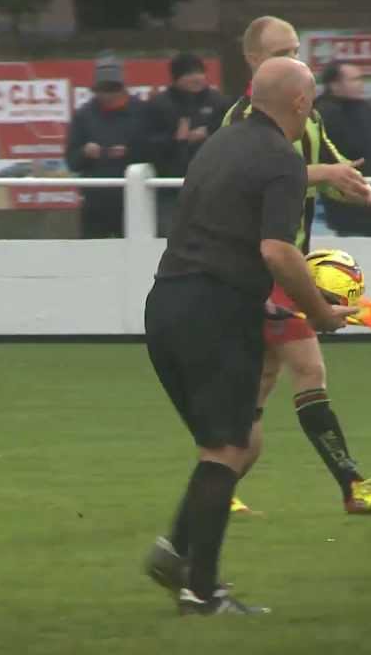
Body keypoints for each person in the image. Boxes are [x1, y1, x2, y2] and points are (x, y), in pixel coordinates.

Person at [142, 57, 354, 615]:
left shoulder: (218, 144)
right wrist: (320, 313)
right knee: (227, 450)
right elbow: (278, 252)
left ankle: (177, 557)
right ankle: (201, 591)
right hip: (213, 316)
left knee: (231, 446)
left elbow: (217, 238)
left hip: (166, 307)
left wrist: (265, 302)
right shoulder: (283, 159)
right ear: (301, 103)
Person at [219, 16, 371, 517]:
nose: (295, 60)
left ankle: (214, 490)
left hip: (280, 266)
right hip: (256, 266)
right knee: (309, 368)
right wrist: (326, 173)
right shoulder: (241, 120)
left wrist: (368, 192)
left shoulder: (307, 114)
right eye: (283, 52)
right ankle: (353, 486)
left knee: (259, 387)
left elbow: (332, 167)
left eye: (297, 50)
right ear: (254, 61)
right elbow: (253, 177)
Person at [65, 51, 153, 238]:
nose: (108, 96)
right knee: (93, 252)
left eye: (113, 90)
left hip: (134, 199)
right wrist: (85, 153)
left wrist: (130, 153)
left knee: (134, 248)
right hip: (95, 201)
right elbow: (72, 161)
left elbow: (156, 152)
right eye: (102, 90)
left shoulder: (143, 112)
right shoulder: (83, 115)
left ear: (123, 88)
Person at [147, 52, 231, 235]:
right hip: (171, 186)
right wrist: (176, 139)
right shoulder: (159, 104)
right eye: (189, 73)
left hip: (211, 185)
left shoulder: (218, 102)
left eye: (199, 72)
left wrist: (208, 135)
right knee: (170, 237)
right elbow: (147, 144)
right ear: (176, 78)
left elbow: (231, 135)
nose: (196, 78)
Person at [315, 60, 371, 237]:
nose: (360, 84)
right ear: (334, 85)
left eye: (361, 79)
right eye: (354, 80)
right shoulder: (319, 115)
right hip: (342, 201)